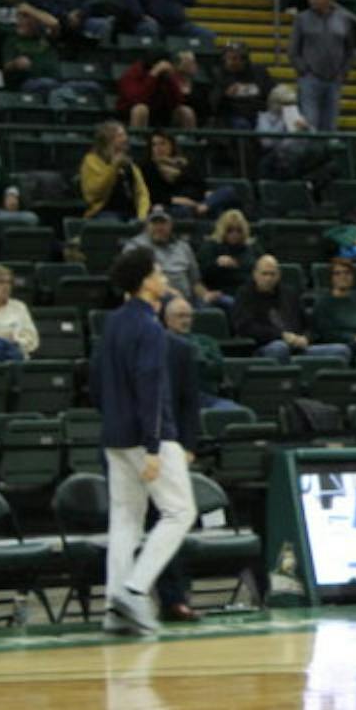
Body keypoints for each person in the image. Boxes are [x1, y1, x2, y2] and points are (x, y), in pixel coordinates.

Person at [93, 247, 197, 635]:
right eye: (159, 273)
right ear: (144, 281)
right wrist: (154, 446)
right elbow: (150, 388)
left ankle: (112, 607)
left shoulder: (113, 322)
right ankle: (135, 590)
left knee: (125, 520)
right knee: (180, 512)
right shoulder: (150, 327)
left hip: (114, 436)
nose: (165, 278)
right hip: (148, 436)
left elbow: (96, 382)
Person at [233, 254, 350, 363]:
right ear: (255, 275)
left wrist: (305, 338)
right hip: (265, 347)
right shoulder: (245, 295)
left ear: (278, 275)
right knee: (280, 347)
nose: (268, 278)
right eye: (264, 274)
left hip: (297, 346)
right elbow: (245, 326)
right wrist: (282, 336)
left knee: (341, 350)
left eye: (272, 274)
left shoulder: (289, 294)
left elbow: (309, 324)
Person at [288, 0, 354, 133]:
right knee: (310, 121)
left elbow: (349, 49)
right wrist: (303, 69)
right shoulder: (301, 19)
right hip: (310, 77)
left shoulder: (344, 19)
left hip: (335, 78)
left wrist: (344, 71)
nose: (313, 1)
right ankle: (311, 155)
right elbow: (293, 49)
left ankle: (327, 155)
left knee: (331, 122)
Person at [0, 264, 38, 362]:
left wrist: (15, 341)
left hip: (14, 353)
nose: (6, 286)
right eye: (0, 282)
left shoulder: (19, 307)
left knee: (10, 350)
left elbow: (32, 339)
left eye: (9, 282)